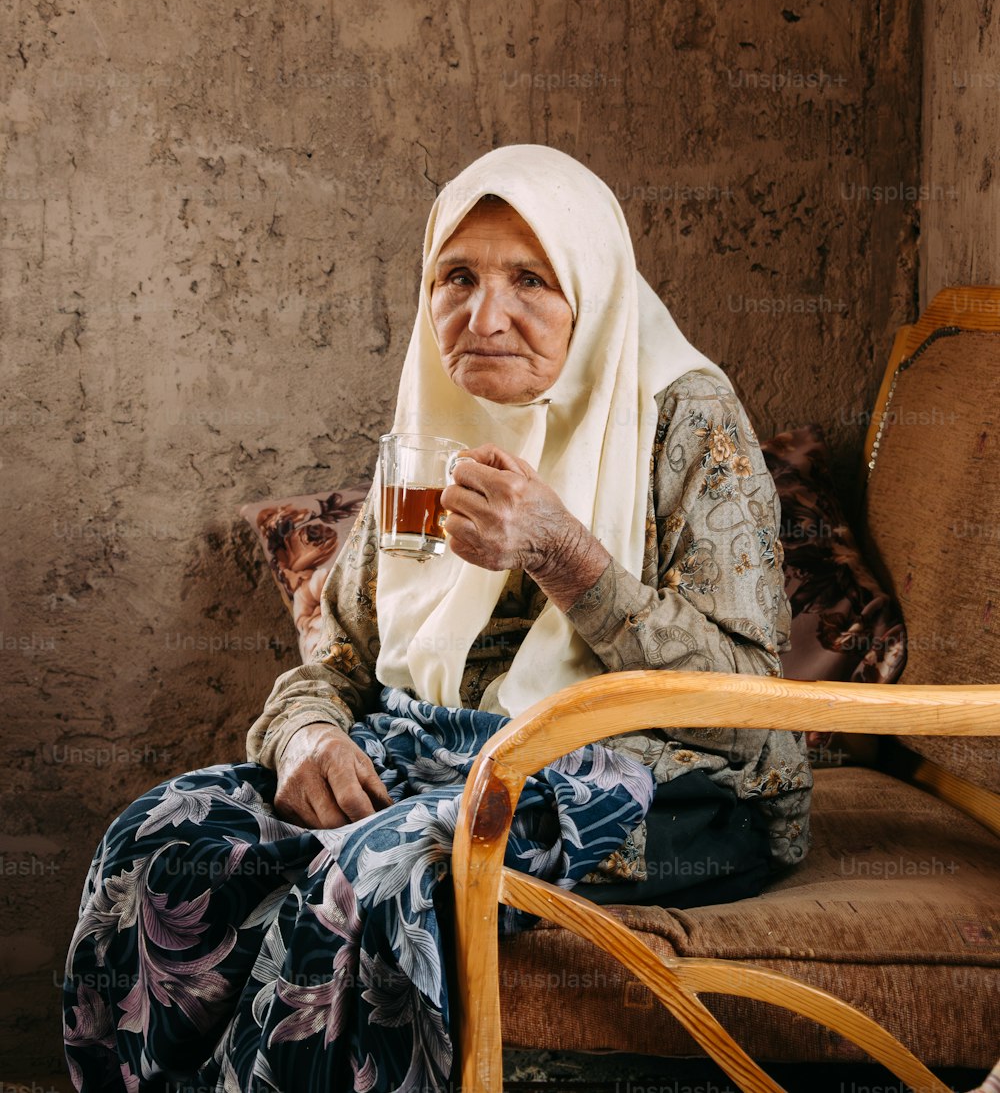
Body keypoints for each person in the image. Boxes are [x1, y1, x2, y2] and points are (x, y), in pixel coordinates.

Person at [63, 145, 811, 1092]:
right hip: (445, 756)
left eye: (530, 279)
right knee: (159, 835)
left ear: (594, 287)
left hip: (663, 784)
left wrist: (563, 553)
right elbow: (335, 659)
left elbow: (746, 700)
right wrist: (303, 739)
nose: (484, 316)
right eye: (456, 276)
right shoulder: (434, 425)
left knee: (376, 877)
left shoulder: (683, 418)